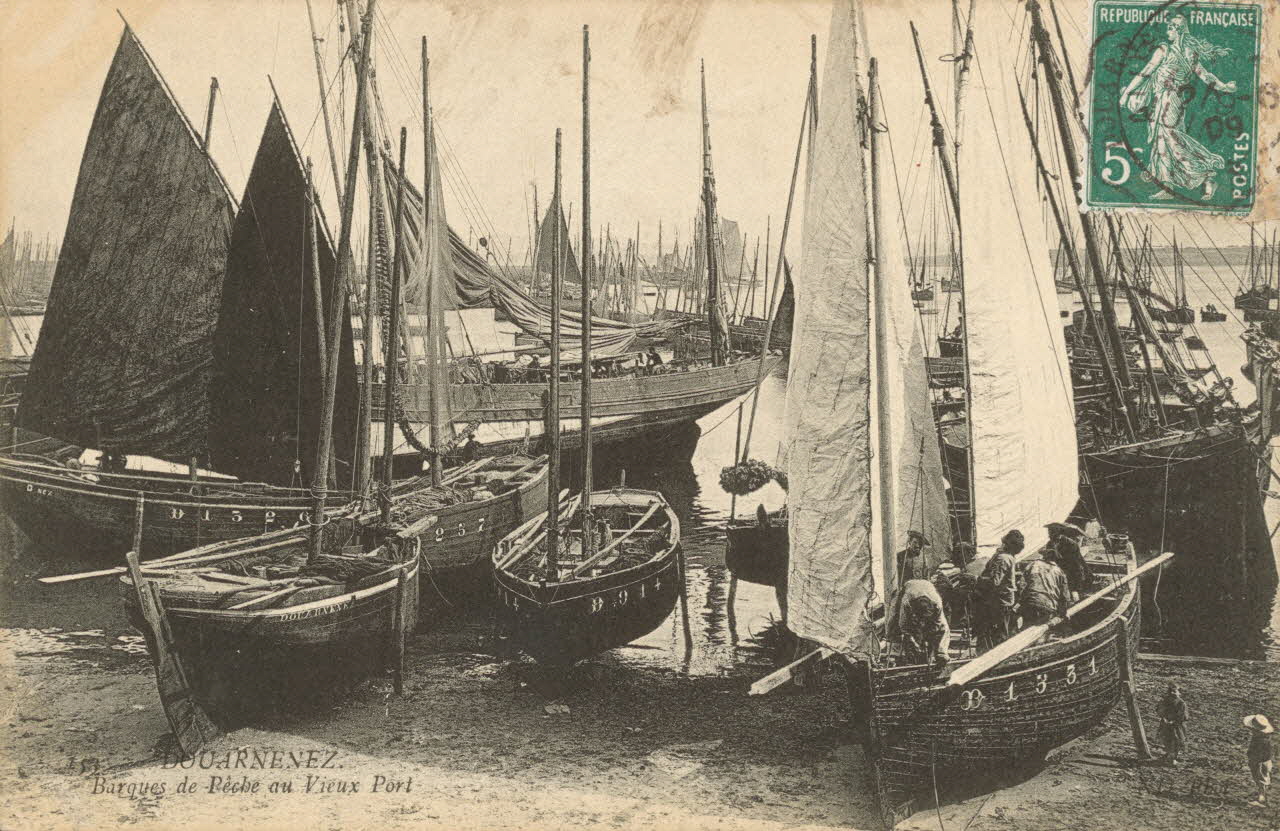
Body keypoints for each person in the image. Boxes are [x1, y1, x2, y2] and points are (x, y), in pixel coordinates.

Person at [1119, 15, 1236, 201]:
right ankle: (1171, 185)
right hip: (1174, 102)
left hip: (1167, 101)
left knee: (1169, 140)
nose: (1167, 32)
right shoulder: (1190, 53)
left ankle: (1206, 173)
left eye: (1170, 28)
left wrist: (1126, 94)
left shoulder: (1163, 50)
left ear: (1177, 29)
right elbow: (1206, 76)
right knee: (1165, 141)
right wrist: (1224, 87)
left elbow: (1145, 72)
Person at [974, 530, 1023, 649]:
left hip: (999, 602)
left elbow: (994, 582)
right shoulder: (1008, 557)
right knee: (1000, 630)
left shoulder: (1003, 559)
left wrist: (975, 579)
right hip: (1003, 600)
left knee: (997, 633)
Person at [894, 579, 950, 667]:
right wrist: (913, 641)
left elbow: (937, 626)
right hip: (909, 586)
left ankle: (941, 653)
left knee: (944, 628)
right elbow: (904, 626)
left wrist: (929, 640)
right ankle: (905, 654)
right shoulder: (906, 603)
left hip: (928, 587)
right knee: (896, 621)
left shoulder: (937, 603)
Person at [1019, 549, 1072, 627]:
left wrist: (1021, 602)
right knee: (1042, 628)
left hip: (1029, 602)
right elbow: (1064, 596)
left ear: (1044, 557)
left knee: (1027, 627)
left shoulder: (1033, 565)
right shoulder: (1060, 572)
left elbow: (1022, 585)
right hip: (1047, 605)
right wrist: (1063, 613)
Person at [1046, 522, 1092, 598]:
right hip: (1057, 571)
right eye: (1049, 532)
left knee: (1073, 593)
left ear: (1058, 532)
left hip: (1071, 571)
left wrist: (1075, 588)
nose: (1049, 535)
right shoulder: (1050, 544)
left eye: (1051, 532)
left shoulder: (1070, 544)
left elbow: (1075, 566)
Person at [1245, 714, 1274, 807]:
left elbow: (1260, 754)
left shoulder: (1260, 741)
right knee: (1262, 780)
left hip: (1259, 762)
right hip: (1262, 761)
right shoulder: (1264, 739)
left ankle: (1262, 799)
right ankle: (1262, 796)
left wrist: (1254, 760)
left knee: (1260, 779)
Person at [1157, 683, 1188, 766]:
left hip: (1177, 725)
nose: (1172, 693)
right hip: (1166, 723)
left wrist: (1173, 721)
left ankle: (1173, 757)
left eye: (1175, 691)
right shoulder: (1165, 701)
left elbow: (1182, 716)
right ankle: (1168, 754)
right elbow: (1160, 710)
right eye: (1170, 691)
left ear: (1179, 693)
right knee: (1166, 738)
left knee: (1176, 740)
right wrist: (1164, 718)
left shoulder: (1181, 703)